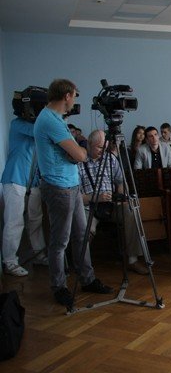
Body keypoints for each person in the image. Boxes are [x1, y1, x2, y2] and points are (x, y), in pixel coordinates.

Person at [34, 78, 112, 308]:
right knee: (60, 241)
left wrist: (78, 150)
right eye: (74, 96)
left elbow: (76, 153)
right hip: (59, 187)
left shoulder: (57, 119)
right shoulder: (50, 120)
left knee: (82, 234)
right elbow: (80, 155)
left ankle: (87, 279)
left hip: (71, 185)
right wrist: (80, 150)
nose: (74, 101)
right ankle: (59, 287)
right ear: (67, 95)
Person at [78, 130, 149, 275]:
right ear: (89, 144)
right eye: (99, 147)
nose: (102, 151)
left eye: (105, 147)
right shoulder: (78, 162)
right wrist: (95, 197)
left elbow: (120, 181)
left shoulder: (110, 158)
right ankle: (83, 265)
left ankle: (132, 260)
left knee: (131, 212)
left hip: (111, 205)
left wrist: (121, 198)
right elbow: (76, 197)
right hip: (88, 207)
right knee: (85, 230)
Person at [1, 117, 48, 276]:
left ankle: (39, 255)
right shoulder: (17, 123)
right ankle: (10, 262)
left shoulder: (39, 125)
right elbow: (38, 131)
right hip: (15, 178)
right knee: (14, 222)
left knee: (36, 220)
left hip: (33, 181)